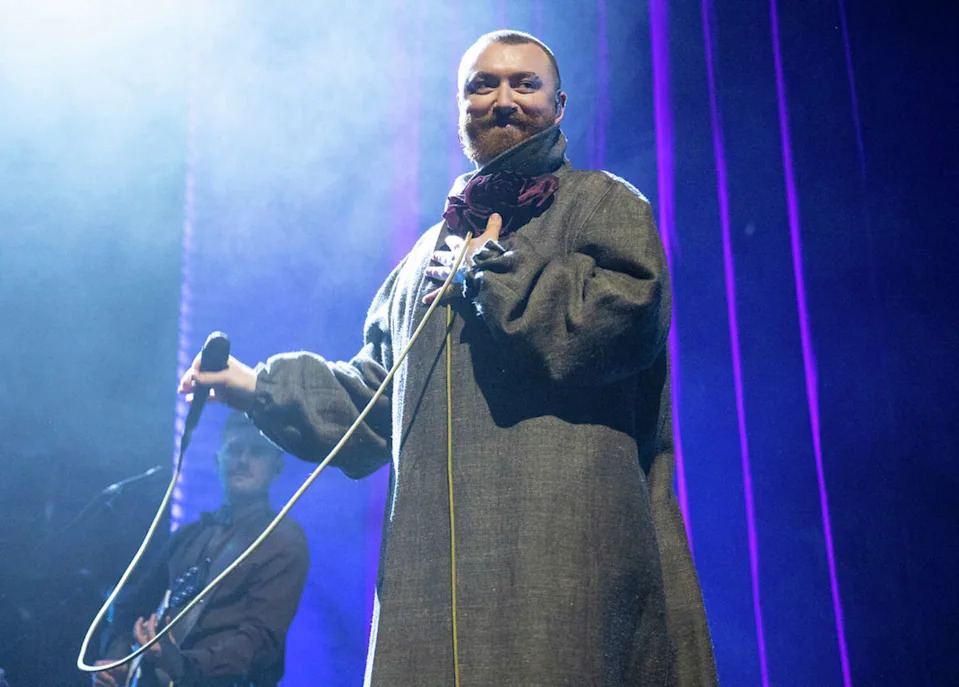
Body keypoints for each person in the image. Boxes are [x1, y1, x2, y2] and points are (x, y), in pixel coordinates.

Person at [180, 30, 717, 686]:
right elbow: (374, 403)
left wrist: (493, 274)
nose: (503, 99)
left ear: (559, 105)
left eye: (524, 84)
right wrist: (255, 386)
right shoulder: (425, 256)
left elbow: (623, 321)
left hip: (564, 564)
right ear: (459, 108)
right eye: (481, 85)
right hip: (433, 578)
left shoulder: (601, 204)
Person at [93, 412, 309, 687]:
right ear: (218, 460)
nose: (242, 460)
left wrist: (180, 663)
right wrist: (118, 659)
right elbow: (132, 605)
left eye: (256, 452)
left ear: (277, 468)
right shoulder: (187, 536)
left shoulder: (283, 539)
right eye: (234, 450)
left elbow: (261, 642)